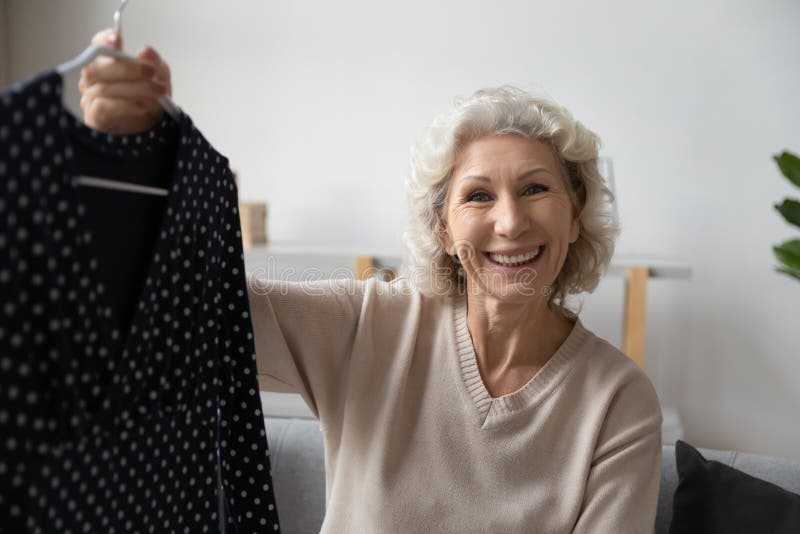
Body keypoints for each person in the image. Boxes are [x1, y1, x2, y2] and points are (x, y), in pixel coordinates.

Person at [80, 29, 663, 534]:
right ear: (442, 227)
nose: (510, 221)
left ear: (575, 211)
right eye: (478, 195)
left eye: (536, 188)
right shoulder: (371, 324)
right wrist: (123, 164)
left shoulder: (618, 401)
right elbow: (175, 311)